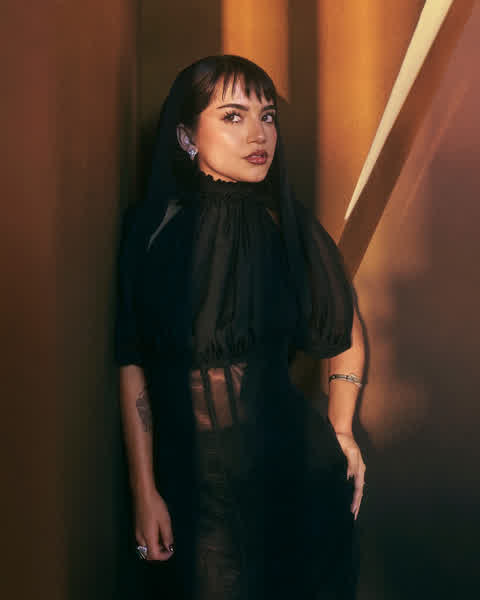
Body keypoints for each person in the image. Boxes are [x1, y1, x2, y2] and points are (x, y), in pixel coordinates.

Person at [114, 54, 366, 600]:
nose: (259, 134)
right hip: (195, 492)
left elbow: (345, 331)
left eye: (267, 116)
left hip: (298, 478)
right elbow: (132, 360)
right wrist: (143, 490)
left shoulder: (287, 224)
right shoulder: (151, 227)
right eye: (233, 116)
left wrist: (342, 430)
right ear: (186, 136)